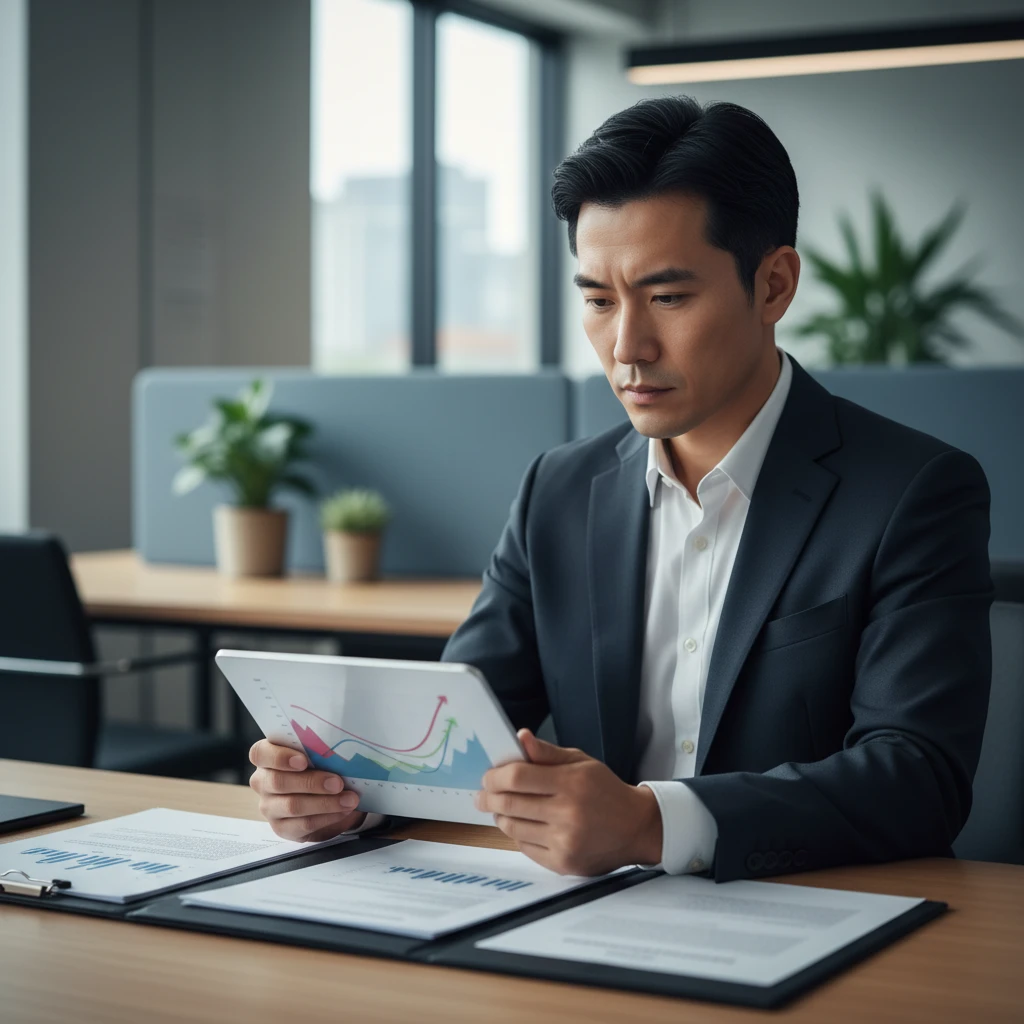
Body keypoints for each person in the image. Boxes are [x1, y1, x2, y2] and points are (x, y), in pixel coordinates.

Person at [249, 96, 992, 882]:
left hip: (814, 913)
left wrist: (652, 823)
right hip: (584, 920)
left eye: (668, 298)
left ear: (773, 285)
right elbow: (456, 726)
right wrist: (348, 790)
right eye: (599, 301)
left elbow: (919, 778)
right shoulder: (560, 490)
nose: (627, 347)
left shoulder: (913, 490)